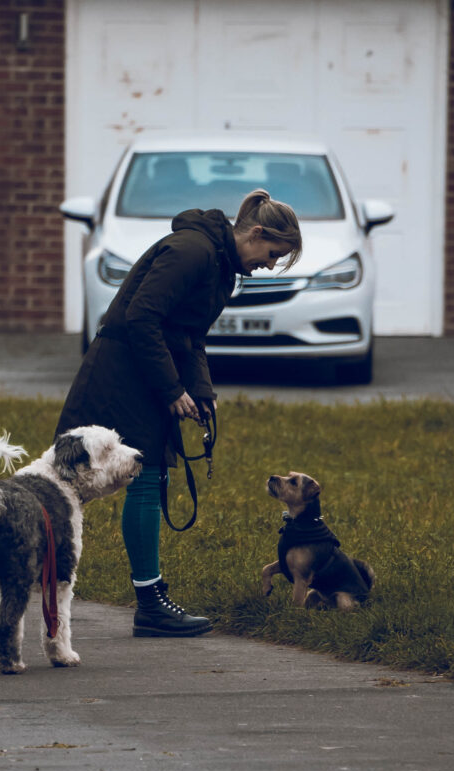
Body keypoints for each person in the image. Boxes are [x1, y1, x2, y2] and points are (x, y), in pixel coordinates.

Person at [54, 189, 302, 637]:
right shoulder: (191, 251)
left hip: (148, 371)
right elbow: (141, 318)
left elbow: (190, 335)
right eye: (273, 254)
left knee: (148, 479)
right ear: (257, 232)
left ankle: (147, 602)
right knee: (120, 481)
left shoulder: (220, 266)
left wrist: (200, 392)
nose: (270, 265)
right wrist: (171, 389)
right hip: (123, 373)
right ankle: (148, 604)